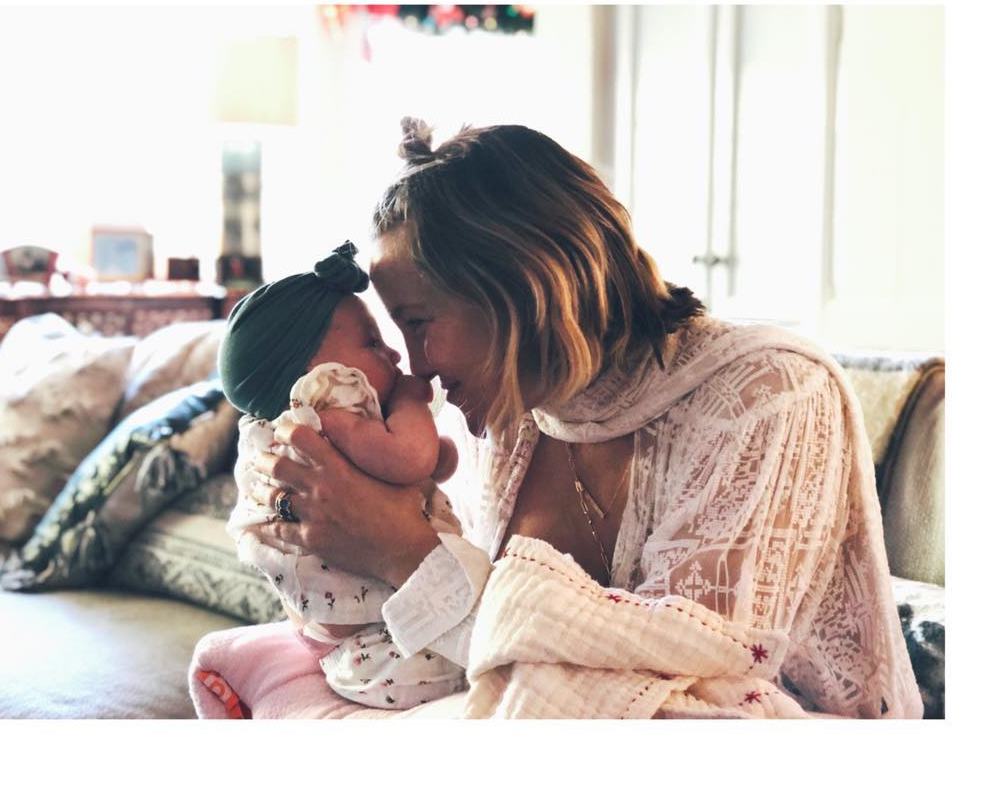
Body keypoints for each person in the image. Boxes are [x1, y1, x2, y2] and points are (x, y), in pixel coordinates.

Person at [195, 117, 923, 720]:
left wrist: (398, 549)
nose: (416, 368)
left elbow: (691, 693)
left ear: (519, 288)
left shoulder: (768, 393)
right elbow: (491, 650)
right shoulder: (518, 413)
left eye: (418, 323)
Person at [189, 241, 466, 718]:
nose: (396, 355)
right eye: (373, 344)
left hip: (337, 622)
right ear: (317, 374)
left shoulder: (290, 432)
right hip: (376, 626)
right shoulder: (330, 413)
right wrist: (410, 401)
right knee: (458, 670)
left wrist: (426, 456)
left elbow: (431, 463)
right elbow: (412, 458)